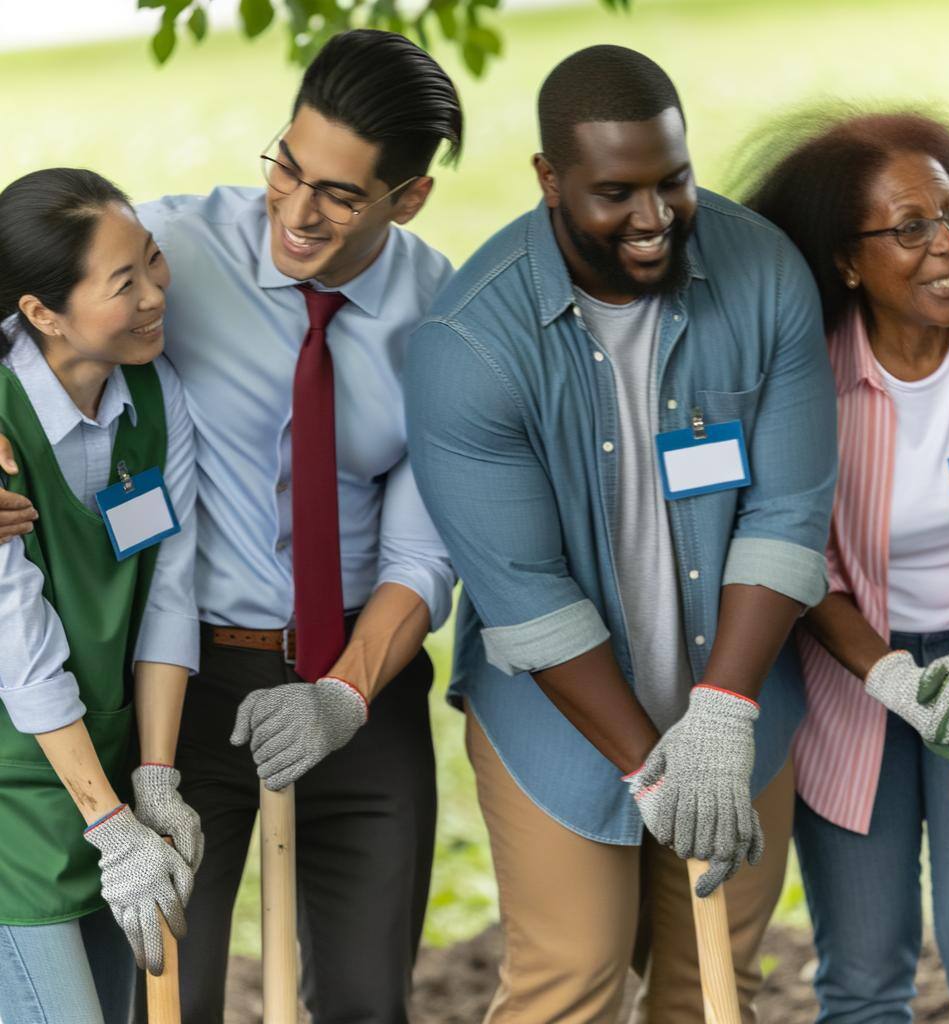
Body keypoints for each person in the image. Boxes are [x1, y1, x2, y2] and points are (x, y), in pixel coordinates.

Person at [0, 30, 460, 1024]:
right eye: (286, 167)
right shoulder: (177, 247)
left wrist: (342, 692)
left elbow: (422, 547)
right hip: (191, 686)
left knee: (367, 1003)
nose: (294, 212)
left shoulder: (440, 311)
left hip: (362, 691)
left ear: (408, 198)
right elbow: (31, 296)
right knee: (170, 997)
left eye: (339, 194)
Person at [404, 45, 837, 1023]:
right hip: (558, 721)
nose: (653, 219)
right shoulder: (468, 342)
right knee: (573, 979)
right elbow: (527, 594)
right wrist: (651, 767)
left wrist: (723, 717)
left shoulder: (762, 270)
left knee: (712, 984)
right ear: (549, 180)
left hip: (742, 703)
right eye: (616, 193)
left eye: (671, 181)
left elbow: (785, 509)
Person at [738, 109, 949, 1021]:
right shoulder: (806, 371)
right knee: (862, 980)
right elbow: (797, 552)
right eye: (912, 229)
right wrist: (887, 671)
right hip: (852, 678)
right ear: (847, 262)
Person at [0, 168, 201, 1023]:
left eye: (153, 264)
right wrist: (109, 821)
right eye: (125, 283)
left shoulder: (157, 399)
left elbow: (168, 594)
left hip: (110, 770)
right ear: (41, 312)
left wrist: (153, 778)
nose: (157, 294)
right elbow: (22, 643)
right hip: (17, 793)